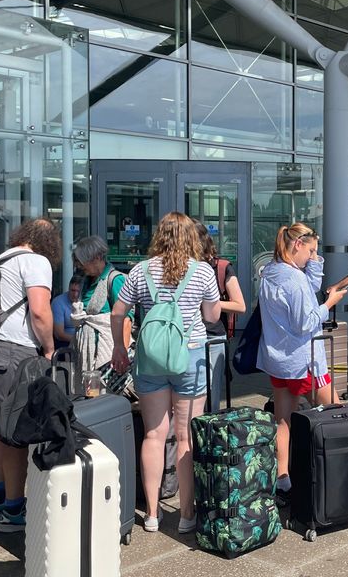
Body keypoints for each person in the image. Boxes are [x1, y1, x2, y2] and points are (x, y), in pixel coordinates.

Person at [109, 212, 220, 534]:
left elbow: (119, 312)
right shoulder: (201, 272)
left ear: (159, 236)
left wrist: (119, 347)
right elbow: (212, 315)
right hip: (190, 355)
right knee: (186, 437)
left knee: (154, 435)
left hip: (151, 359)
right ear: (190, 238)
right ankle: (186, 514)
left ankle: (152, 514)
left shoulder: (140, 271)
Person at [0, 218, 59, 533]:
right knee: (15, 434)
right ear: (49, 241)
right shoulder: (36, 261)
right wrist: (49, 348)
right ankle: (13, 510)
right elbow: (39, 311)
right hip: (12, 353)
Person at [256, 222, 347, 495]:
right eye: (310, 251)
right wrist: (328, 305)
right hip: (304, 360)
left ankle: (283, 477)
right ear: (297, 245)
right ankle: (340, 470)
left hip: (278, 359)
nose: (312, 257)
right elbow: (304, 322)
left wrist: (316, 261)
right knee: (337, 412)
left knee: (283, 419)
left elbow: (309, 286)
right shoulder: (293, 278)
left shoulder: (271, 271)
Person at [195, 221, 246, 411]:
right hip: (186, 336)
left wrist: (209, 303)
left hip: (212, 336)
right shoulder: (179, 267)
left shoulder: (221, 267)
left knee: (210, 393)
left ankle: (208, 434)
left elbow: (240, 305)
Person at [72, 236, 131, 382]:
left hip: (108, 354)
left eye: (83, 262)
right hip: (87, 353)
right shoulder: (86, 281)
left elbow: (125, 319)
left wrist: (121, 352)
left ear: (97, 257)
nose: (80, 266)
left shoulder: (115, 280)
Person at [51, 276, 81, 350]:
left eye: (78, 291)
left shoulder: (86, 300)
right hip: (65, 343)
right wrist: (79, 341)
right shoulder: (58, 302)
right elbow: (59, 334)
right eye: (73, 290)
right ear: (68, 288)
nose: (75, 294)